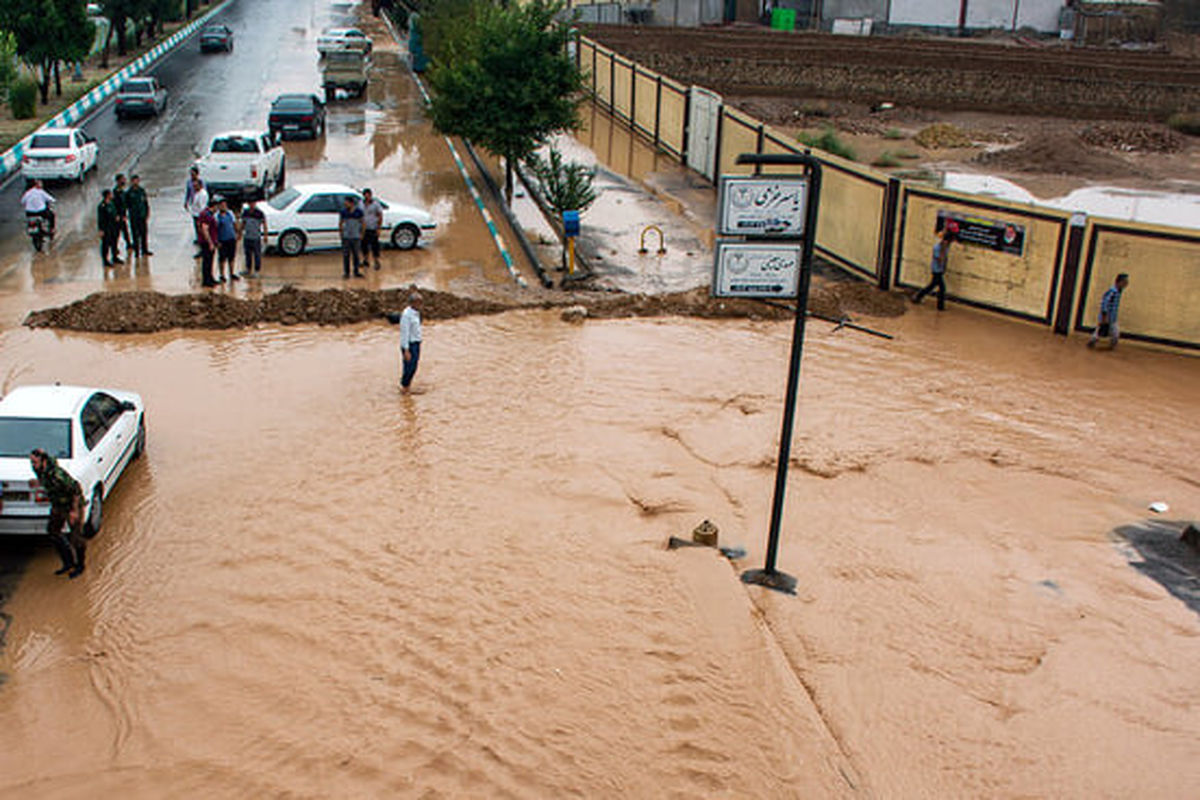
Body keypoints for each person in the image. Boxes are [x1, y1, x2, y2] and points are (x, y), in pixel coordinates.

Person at [29, 448, 87, 578]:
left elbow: (76, 490)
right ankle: (68, 562)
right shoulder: (39, 471)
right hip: (58, 505)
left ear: (43, 461)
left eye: (35, 462)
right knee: (53, 531)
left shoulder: (58, 475)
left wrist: (74, 511)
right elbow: (46, 482)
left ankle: (80, 566)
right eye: (31, 462)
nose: (32, 465)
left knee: (76, 537)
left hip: (72, 505)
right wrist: (38, 483)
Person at [913, 227, 955, 311]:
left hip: (939, 270)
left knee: (932, 286)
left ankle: (918, 296)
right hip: (936, 270)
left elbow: (945, 258)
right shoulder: (938, 247)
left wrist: (944, 267)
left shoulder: (946, 247)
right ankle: (940, 306)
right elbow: (939, 258)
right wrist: (942, 260)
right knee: (941, 287)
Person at [1088, 273, 1129, 350]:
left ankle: (1110, 344)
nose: (1125, 284)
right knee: (1102, 330)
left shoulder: (1118, 292)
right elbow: (1105, 303)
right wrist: (1104, 316)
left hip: (1113, 317)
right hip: (1107, 316)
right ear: (1119, 282)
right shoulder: (1112, 292)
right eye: (1124, 282)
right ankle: (1093, 341)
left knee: (1113, 332)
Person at [399, 291, 423, 393]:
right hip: (409, 345)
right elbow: (405, 333)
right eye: (419, 303)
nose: (421, 305)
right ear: (413, 303)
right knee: (410, 367)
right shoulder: (406, 315)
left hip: (416, 343)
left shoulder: (416, 313)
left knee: (414, 366)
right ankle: (404, 387)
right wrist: (406, 350)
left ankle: (407, 386)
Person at [125, 174, 152, 257]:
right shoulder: (129, 193)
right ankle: (137, 251)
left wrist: (147, 212)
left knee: (144, 233)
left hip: (142, 215)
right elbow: (126, 205)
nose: (135, 182)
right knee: (135, 234)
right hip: (134, 216)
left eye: (137, 180)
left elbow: (145, 202)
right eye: (134, 180)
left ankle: (144, 249)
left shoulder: (141, 191)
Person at [240, 198, 268, 276]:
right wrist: (239, 234)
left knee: (257, 255)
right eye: (250, 203)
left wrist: (265, 235)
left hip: (256, 237)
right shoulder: (245, 212)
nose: (252, 205)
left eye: (253, 203)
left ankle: (257, 271)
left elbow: (264, 224)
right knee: (247, 254)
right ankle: (248, 269)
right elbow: (243, 223)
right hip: (247, 237)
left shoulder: (259, 213)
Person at [339, 195, 365, 278]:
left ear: (351, 203)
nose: (345, 204)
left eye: (346, 203)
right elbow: (341, 223)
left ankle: (356, 272)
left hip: (356, 237)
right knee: (346, 255)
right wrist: (341, 234)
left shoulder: (359, 212)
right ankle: (346, 273)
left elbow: (363, 223)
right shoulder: (343, 212)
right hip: (346, 237)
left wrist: (362, 234)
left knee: (356, 255)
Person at [214, 196, 239, 282]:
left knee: (231, 257)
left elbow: (234, 224)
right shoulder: (217, 216)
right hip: (222, 240)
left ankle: (231, 273)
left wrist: (237, 234)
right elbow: (215, 229)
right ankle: (222, 275)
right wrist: (216, 241)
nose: (223, 206)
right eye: (221, 205)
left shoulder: (230, 214)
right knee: (222, 258)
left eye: (224, 205)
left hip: (231, 238)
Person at [197, 195, 219, 287]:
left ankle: (210, 278)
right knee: (207, 261)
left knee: (210, 261)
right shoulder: (206, 215)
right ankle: (206, 281)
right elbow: (204, 229)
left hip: (208, 241)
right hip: (207, 242)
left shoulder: (206, 214)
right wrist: (210, 243)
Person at [98, 189, 123, 267]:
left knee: (114, 242)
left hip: (114, 226)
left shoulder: (112, 203)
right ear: (107, 195)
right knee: (106, 244)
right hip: (106, 227)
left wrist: (117, 217)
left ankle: (115, 257)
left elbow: (115, 212)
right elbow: (100, 218)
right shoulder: (102, 206)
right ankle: (105, 260)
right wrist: (101, 229)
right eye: (110, 194)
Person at [361, 188, 384, 270]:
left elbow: (380, 216)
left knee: (375, 246)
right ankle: (365, 260)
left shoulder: (376, 204)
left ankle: (376, 262)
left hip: (373, 228)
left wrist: (378, 228)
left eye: (368, 195)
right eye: (365, 195)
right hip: (364, 229)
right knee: (364, 245)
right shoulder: (361, 204)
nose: (367, 197)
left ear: (371, 195)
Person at [187, 176, 209, 257]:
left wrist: (200, 219)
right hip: (195, 215)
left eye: (195, 186)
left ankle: (203, 250)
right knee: (199, 234)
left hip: (199, 216)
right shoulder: (197, 193)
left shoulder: (203, 194)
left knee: (201, 234)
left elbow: (202, 208)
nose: (194, 187)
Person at [113, 173, 132, 257]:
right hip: (118, 216)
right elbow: (116, 205)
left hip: (122, 215)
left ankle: (128, 244)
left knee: (125, 231)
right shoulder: (116, 192)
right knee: (117, 233)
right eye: (122, 179)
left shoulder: (122, 191)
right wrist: (118, 215)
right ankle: (115, 248)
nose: (124, 181)